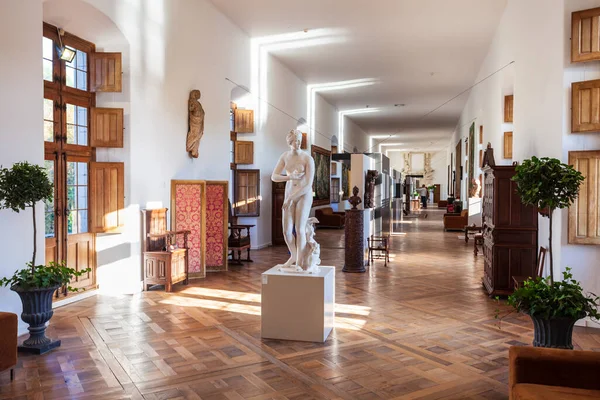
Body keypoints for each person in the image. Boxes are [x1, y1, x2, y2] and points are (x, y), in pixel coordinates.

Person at [271, 130, 316, 269]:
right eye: (293, 141)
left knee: (299, 229)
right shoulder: (285, 156)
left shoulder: (307, 158)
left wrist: (291, 198)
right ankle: (294, 255)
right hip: (289, 192)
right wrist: (289, 177)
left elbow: (308, 184)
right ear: (289, 142)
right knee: (286, 231)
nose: (296, 143)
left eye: (298, 140)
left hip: (303, 194)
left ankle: (300, 261)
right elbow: (274, 176)